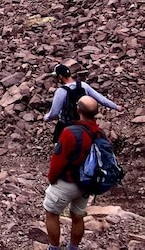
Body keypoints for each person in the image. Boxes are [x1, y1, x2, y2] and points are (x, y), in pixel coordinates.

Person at [43, 95, 104, 250]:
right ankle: (73, 248)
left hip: (67, 182)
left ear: (78, 110)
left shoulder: (70, 132)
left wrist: (51, 178)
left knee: (51, 213)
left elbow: (58, 159)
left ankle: (54, 248)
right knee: (77, 216)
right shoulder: (100, 133)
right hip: (87, 183)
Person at [44, 63, 123, 142]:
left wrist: (46, 118)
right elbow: (101, 100)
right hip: (86, 124)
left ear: (60, 76)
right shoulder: (84, 85)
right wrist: (116, 107)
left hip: (68, 125)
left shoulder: (61, 91)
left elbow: (54, 113)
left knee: (60, 145)